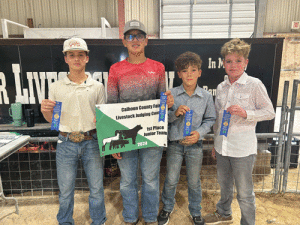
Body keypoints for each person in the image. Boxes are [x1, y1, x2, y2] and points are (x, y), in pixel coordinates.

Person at [107, 20, 174, 225]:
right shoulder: (115, 70)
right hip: (125, 135)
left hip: (152, 134)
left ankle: (151, 218)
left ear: (146, 40)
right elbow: (111, 105)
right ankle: (130, 218)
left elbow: (163, 101)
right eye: (130, 36)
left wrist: (168, 103)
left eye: (139, 36)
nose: (134, 40)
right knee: (127, 180)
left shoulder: (158, 68)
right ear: (124, 41)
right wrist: (112, 142)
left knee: (151, 180)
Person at [204, 38, 276, 225]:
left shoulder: (254, 85)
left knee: (245, 193)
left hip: (243, 149)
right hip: (222, 148)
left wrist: (246, 113)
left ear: (246, 62)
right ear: (223, 63)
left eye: (238, 60)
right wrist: (214, 143)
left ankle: (247, 223)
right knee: (224, 186)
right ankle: (224, 213)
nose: (233, 65)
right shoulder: (221, 87)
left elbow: (269, 112)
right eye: (229, 61)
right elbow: (219, 120)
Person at [41, 37, 106, 225]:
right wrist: (46, 112)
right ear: (66, 59)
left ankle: (98, 221)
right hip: (65, 142)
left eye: (80, 55)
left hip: (91, 140)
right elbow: (53, 122)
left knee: (96, 188)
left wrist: (100, 121)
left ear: (87, 58)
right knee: (66, 189)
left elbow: (102, 118)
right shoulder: (56, 87)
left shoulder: (97, 87)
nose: (76, 59)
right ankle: (65, 222)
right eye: (72, 55)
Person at [157, 52, 216, 225]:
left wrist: (199, 133)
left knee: (194, 181)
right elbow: (163, 118)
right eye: (185, 70)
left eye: (193, 70)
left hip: (195, 146)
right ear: (179, 74)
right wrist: (175, 113)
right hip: (175, 144)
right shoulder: (171, 95)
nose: (189, 74)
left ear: (200, 72)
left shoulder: (206, 97)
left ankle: (196, 211)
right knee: (171, 179)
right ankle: (167, 207)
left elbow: (210, 119)